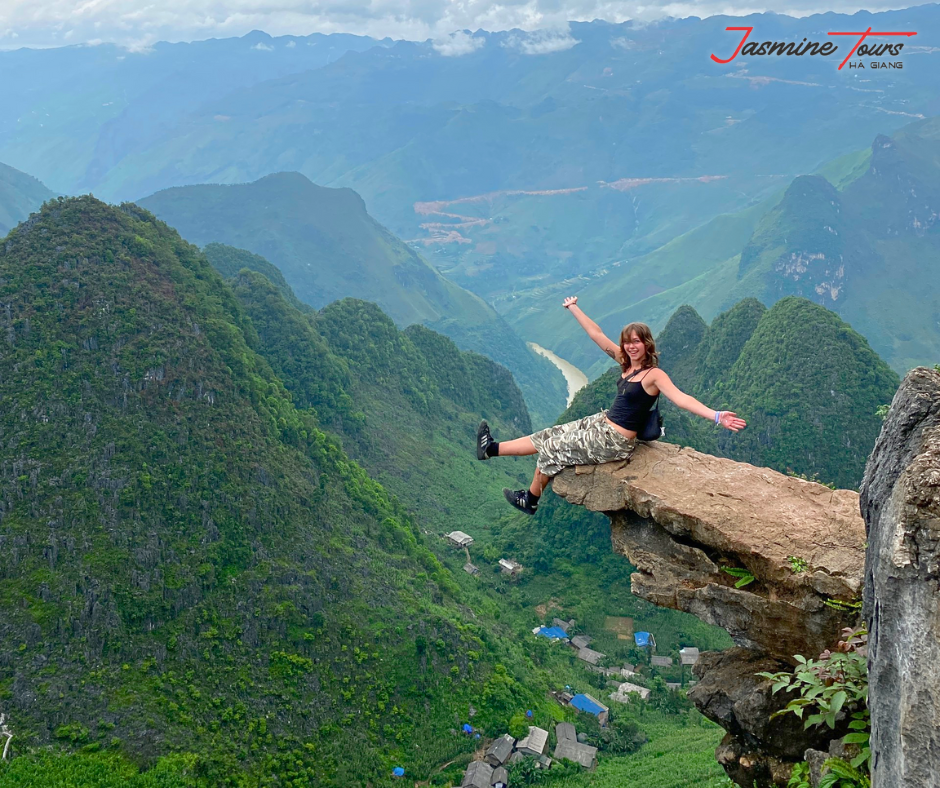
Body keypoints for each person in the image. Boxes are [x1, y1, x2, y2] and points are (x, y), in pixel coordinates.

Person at [477, 296, 747, 514]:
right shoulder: (625, 364)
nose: (631, 347)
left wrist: (716, 416)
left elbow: (681, 398)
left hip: (615, 440)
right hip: (602, 422)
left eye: (637, 342)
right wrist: (574, 308)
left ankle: (531, 500)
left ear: (647, 344)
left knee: (550, 449)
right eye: (627, 342)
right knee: (549, 435)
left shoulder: (653, 375)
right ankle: (491, 449)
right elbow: (596, 335)